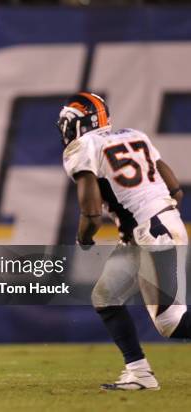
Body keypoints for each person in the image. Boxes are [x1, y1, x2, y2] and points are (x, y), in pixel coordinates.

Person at [59, 92, 190, 391]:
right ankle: (139, 372)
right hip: (151, 226)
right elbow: (174, 188)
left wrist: (83, 239)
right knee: (105, 297)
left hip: (151, 230)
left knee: (172, 322)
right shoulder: (134, 135)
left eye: (67, 123)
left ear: (77, 124)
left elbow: (91, 215)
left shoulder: (83, 147)